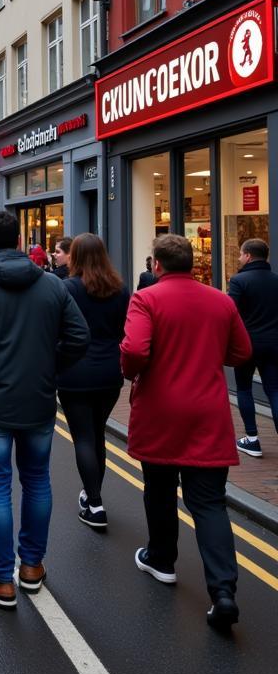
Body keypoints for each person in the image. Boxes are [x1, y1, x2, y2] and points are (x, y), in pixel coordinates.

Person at [0, 211, 89, 608]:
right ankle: (33, 567)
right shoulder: (51, 284)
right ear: (19, 239)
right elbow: (79, 336)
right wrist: (50, 367)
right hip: (38, 398)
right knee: (37, 480)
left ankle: (0, 576)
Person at [121, 234, 251, 630]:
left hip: (161, 410)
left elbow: (135, 350)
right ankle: (223, 591)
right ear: (192, 263)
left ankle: (162, 560)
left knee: (159, 490)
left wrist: (130, 374)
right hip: (208, 413)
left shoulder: (147, 299)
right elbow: (242, 352)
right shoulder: (220, 300)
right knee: (210, 503)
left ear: (156, 265)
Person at [58, 234, 129, 530]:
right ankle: (91, 494)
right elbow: (125, 329)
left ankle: (95, 504)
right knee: (97, 433)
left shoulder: (67, 288)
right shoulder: (120, 289)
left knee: (84, 437)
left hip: (75, 371)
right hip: (110, 372)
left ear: (75, 256)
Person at [227, 238, 278, 458]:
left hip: (247, 345)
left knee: (244, 389)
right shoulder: (276, 280)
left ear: (248, 255)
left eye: (240, 254)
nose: (239, 258)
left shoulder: (239, 280)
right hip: (274, 344)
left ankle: (252, 439)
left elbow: (229, 311)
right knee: (275, 390)